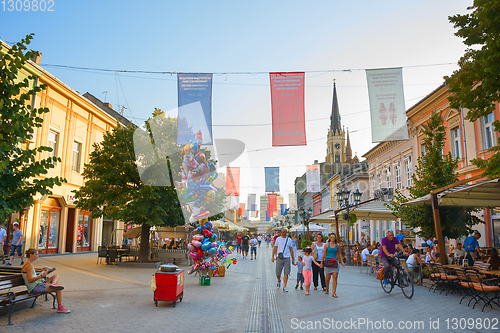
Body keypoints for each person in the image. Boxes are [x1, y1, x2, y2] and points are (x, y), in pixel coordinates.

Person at [22, 248, 70, 313]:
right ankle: (60, 307)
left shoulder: (27, 263)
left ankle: (53, 284)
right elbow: (30, 280)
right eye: (36, 254)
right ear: (31, 255)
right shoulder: (29, 265)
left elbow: (31, 271)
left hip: (37, 284)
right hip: (35, 287)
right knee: (59, 287)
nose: (37, 256)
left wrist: (40, 270)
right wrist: (41, 276)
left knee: (56, 275)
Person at [321, 232, 345, 297]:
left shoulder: (337, 245)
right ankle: (327, 288)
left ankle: (334, 292)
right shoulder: (326, 245)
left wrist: (342, 261)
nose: (332, 238)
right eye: (331, 237)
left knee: (335, 277)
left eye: (334, 237)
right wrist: (321, 262)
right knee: (327, 278)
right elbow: (324, 253)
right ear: (329, 237)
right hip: (328, 262)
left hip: (335, 262)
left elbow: (339, 253)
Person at [272, 228, 295, 292]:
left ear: (286, 233)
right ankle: (279, 280)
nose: (282, 233)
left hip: (287, 258)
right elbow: (275, 247)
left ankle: (284, 286)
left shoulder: (289, 240)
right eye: (282, 232)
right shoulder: (278, 239)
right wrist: (273, 256)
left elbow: (291, 249)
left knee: (286, 272)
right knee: (278, 272)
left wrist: (293, 258)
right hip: (279, 258)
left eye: (284, 232)